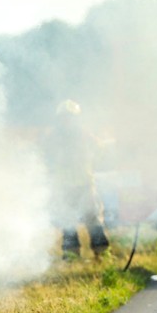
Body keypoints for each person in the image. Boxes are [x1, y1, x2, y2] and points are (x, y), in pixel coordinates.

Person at [43, 100, 111, 258]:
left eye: (70, 117)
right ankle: (72, 255)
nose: (68, 121)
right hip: (64, 187)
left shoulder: (84, 135)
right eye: (65, 118)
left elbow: (100, 152)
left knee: (92, 218)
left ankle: (101, 254)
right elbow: (45, 158)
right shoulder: (53, 138)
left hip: (84, 184)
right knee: (68, 222)